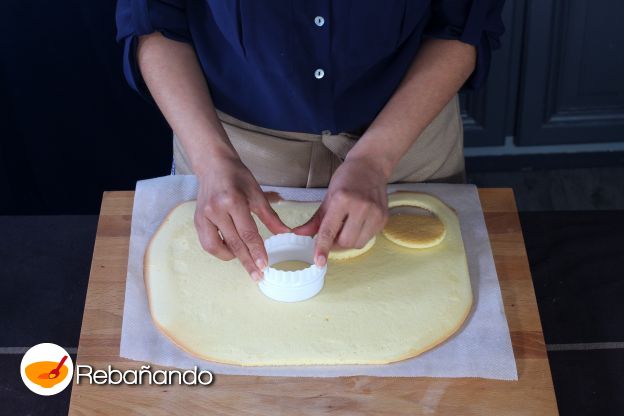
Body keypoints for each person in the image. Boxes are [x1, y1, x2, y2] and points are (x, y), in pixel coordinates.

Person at [115, 1, 505, 281]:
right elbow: (153, 21)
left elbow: (463, 26)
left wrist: (375, 158)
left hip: (407, 139)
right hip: (232, 155)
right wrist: (211, 160)